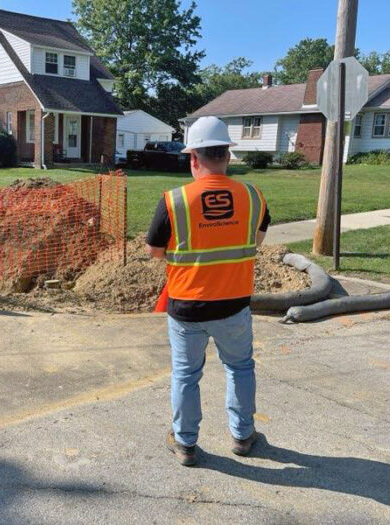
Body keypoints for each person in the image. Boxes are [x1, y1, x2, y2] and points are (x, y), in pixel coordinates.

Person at [146, 116, 270, 467]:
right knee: (241, 367)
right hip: (234, 305)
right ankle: (243, 435)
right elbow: (257, 240)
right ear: (227, 155)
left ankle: (185, 443)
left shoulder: (174, 200)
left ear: (193, 158)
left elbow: (155, 251)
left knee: (186, 374)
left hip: (187, 306)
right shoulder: (252, 195)